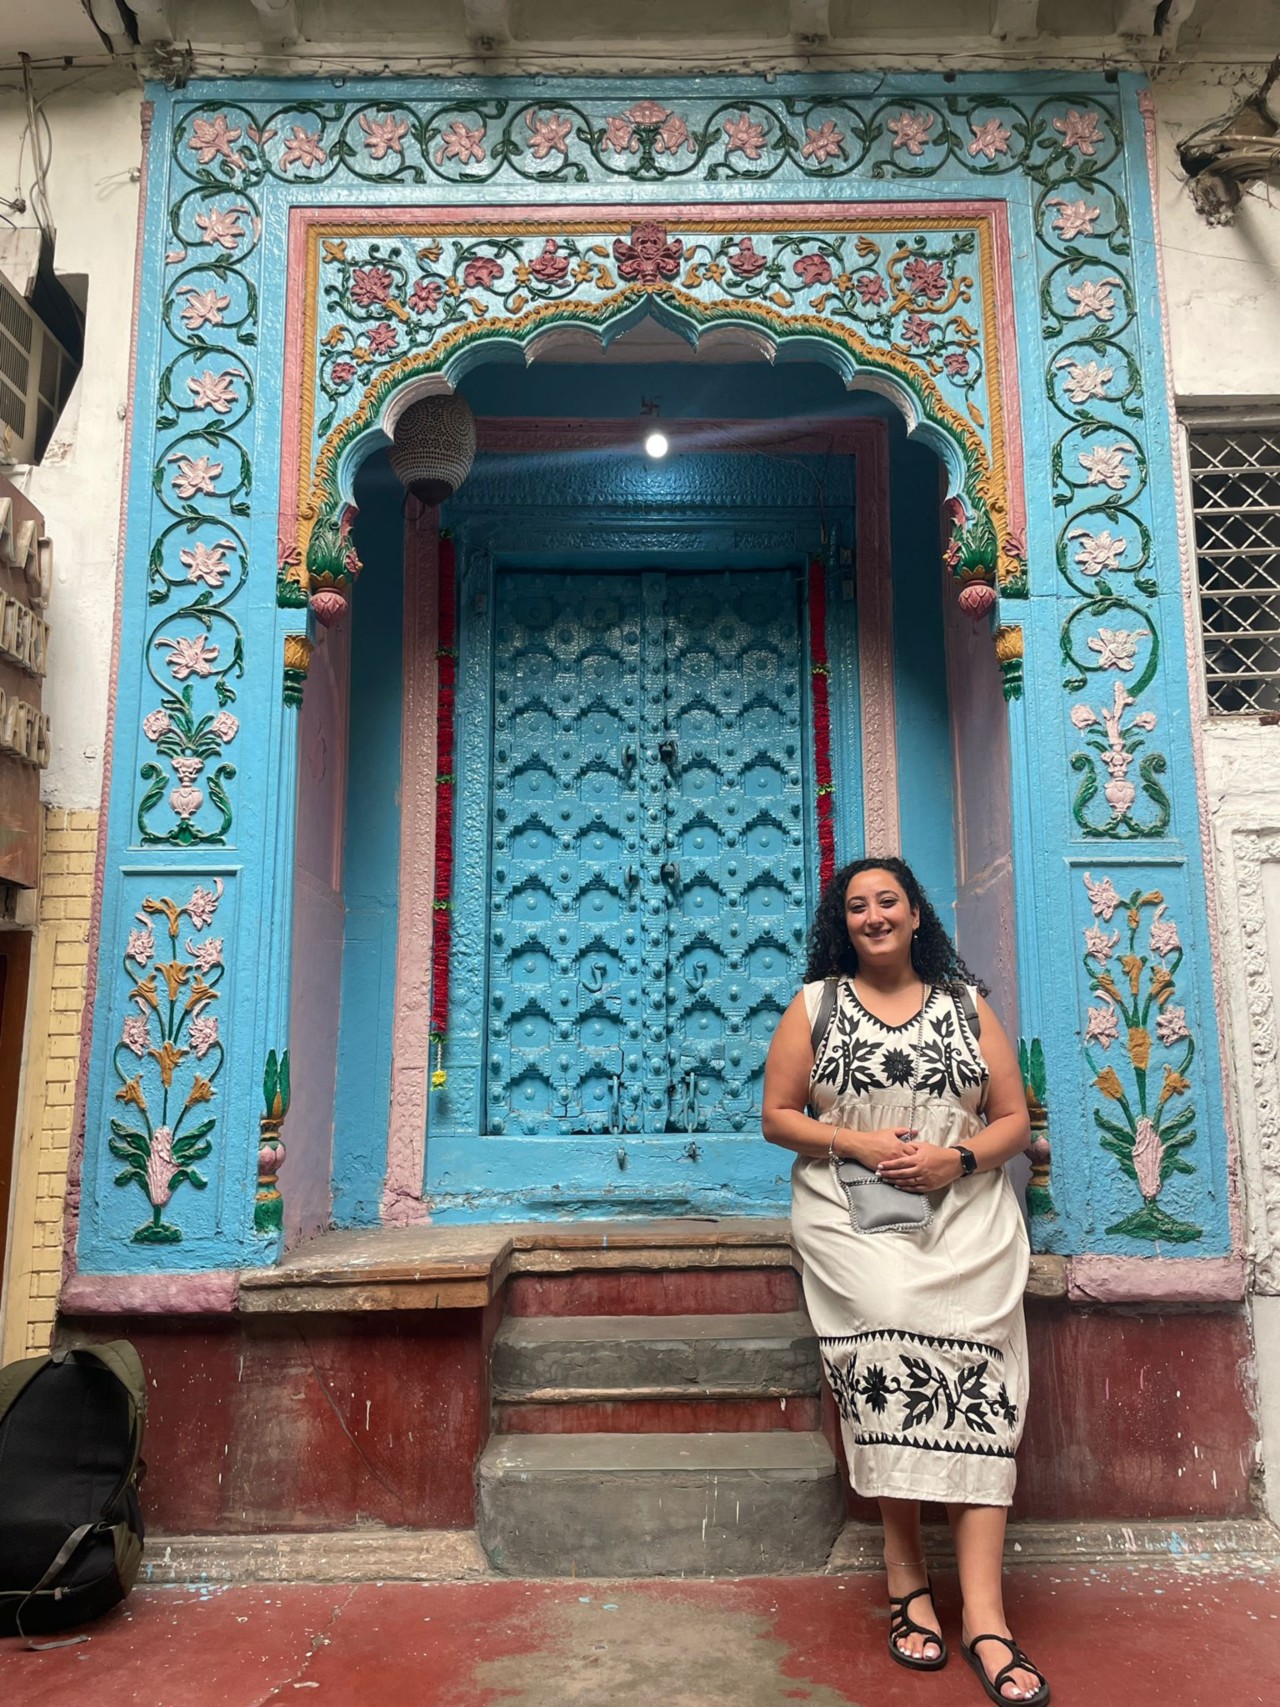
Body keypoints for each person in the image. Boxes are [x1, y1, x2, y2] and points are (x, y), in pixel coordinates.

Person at [762, 856, 1049, 1706]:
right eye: (857, 906)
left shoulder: (967, 1005)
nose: (874, 915)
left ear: (917, 913)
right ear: (841, 923)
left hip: (962, 1211)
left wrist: (954, 1157)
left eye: (889, 900)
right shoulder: (815, 1005)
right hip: (852, 1211)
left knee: (979, 1371)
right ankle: (905, 1575)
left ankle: (987, 1619)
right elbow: (778, 1115)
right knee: (890, 1338)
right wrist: (855, 1143)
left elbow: (1013, 1121)